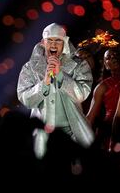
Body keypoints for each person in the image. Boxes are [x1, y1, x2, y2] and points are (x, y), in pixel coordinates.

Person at [17, 23, 94, 158]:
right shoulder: (29, 68)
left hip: (72, 133)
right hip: (43, 135)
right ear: (43, 43)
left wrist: (60, 75)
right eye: (50, 40)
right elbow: (26, 99)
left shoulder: (79, 65)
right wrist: (44, 82)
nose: (53, 45)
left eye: (58, 40)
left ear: (64, 43)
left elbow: (82, 94)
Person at [86, 48, 120, 150]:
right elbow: (90, 117)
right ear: (106, 66)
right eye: (108, 58)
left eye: (116, 54)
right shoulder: (102, 86)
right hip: (109, 131)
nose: (113, 57)